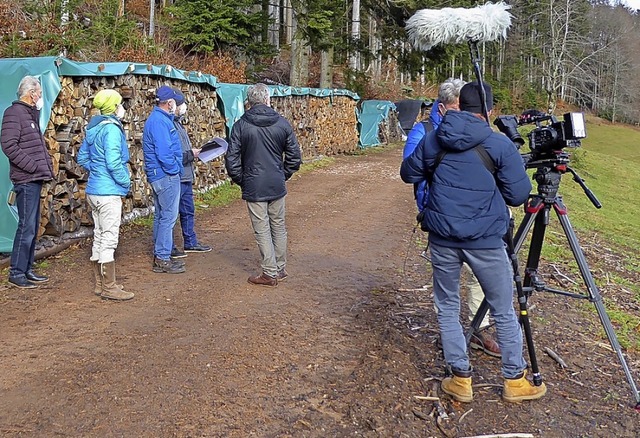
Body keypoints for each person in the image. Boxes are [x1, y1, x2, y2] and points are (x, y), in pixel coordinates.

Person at [400, 81, 546, 403]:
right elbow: (519, 195)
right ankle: (515, 380)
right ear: (490, 111)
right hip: (486, 242)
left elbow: (408, 174)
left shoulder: (435, 139)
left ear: (458, 106)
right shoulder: (499, 145)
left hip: (442, 238)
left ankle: (460, 379)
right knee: (504, 310)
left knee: (447, 307)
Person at [403, 78, 501, 357]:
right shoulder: (424, 131)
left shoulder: (480, 131)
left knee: (477, 276)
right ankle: (451, 335)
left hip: (478, 217)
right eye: (459, 107)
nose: (465, 114)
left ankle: (477, 329)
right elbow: (411, 169)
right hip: (441, 215)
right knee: (445, 280)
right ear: (443, 107)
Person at [225, 83, 301, 287]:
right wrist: (282, 174)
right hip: (276, 183)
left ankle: (269, 272)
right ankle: (280, 268)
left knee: (262, 229)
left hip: (254, 184)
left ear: (249, 101)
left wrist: (243, 179)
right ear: (268, 100)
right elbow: (295, 157)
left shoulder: (241, 125)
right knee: (278, 226)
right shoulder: (282, 123)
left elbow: (232, 160)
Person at [76, 89, 134, 301]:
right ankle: (109, 287)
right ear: (113, 107)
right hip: (108, 192)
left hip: (94, 190)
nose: (123, 107)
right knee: (109, 238)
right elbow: (113, 162)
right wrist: (126, 182)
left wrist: (97, 169)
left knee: (99, 236)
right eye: (120, 104)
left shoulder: (94, 128)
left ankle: (101, 285)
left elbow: (82, 158)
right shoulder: (111, 130)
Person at [1, 75, 54, 289]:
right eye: (40, 93)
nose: (41, 96)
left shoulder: (29, 114)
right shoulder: (14, 114)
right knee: (26, 227)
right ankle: (16, 272)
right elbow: (9, 146)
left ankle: (26, 268)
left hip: (34, 178)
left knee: (31, 227)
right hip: (26, 179)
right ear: (31, 93)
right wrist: (33, 166)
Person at [142, 85, 185, 274]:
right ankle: (162, 258)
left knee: (161, 215)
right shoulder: (160, 122)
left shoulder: (158, 119)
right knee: (168, 216)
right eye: (174, 102)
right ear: (169, 103)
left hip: (159, 174)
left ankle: (161, 254)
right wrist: (174, 169)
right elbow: (164, 152)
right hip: (165, 176)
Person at [170, 91, 212, 259]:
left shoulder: (178, 124)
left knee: (188, 210)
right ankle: (170, 246)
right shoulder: (170, 126)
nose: (184, 108)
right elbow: (174, 154)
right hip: (177, 175)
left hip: (186, 175)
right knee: (171, 213)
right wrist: (191, 154)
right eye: (182, 104)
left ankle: (190, 241)